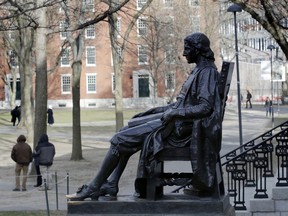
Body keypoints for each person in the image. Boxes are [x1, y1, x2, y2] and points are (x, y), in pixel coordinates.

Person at [66, 32, 222, 201]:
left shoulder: (207, 72)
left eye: (187, 49)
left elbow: (206, 107)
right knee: (129, 126)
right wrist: (154, 111)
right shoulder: (200, 70)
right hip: (176, 122)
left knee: (119, 139)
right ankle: (111, 183)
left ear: (197, 50)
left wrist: (175, 112)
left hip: (182, 129)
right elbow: (182, 104)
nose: (184, 53)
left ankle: (94, 187)